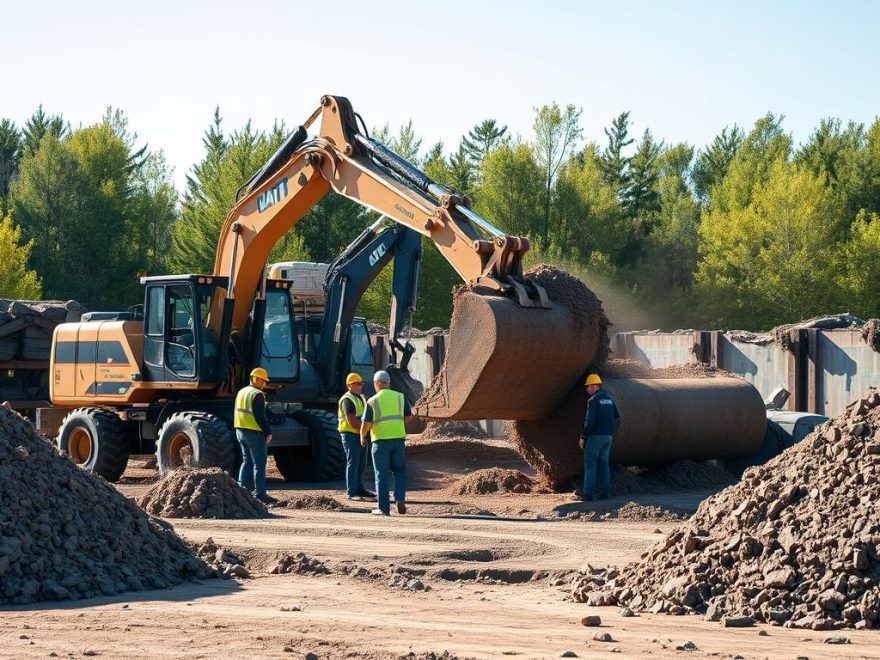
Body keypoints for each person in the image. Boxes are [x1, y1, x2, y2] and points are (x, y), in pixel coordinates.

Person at [360, 370, 415, 516]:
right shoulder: (400, 397)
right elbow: (409, 417)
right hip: (398, 440)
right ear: (388, 383)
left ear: (376, 384)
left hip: (380, 441)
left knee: (381, 475)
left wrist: (362, 436)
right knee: (400, 472)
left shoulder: (372, 401)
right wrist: (396, 422)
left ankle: (383, 509)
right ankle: (400, 499)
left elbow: (367, 422)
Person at [234, 367, 278, 504]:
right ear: (257, 379)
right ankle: (260, 494)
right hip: (254, 432)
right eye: (263, 381)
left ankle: (240, 491)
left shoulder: (242, 391)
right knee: (259, 464)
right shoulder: (257, 394)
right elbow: (260, 416)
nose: (265, 384)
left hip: (240, 430)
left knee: (246, 461)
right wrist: (268, 432)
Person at [579, 373, 620, 502]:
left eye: (587, 387)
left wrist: (583, 436)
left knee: (590, 465)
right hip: (607, 438)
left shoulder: (593, 400)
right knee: (604, 466)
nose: (586, 390)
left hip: (595, 438)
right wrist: (610, 432)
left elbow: (589, 421)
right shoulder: (610, 399)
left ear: (593, 385)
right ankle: (605, 493)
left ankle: (588, 494)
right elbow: (617, 418)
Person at [338, 372, 375, 501]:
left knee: (361, 463)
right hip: (350, 435)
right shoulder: (347, 400)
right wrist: (366, 430)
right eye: (357, 384)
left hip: (359, 434)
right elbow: (352, 421)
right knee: (353, 462)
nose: (360, 386)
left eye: (361, 383)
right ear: (350, 385)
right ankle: (351, 492)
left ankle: (359, 488)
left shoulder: (361, 398)